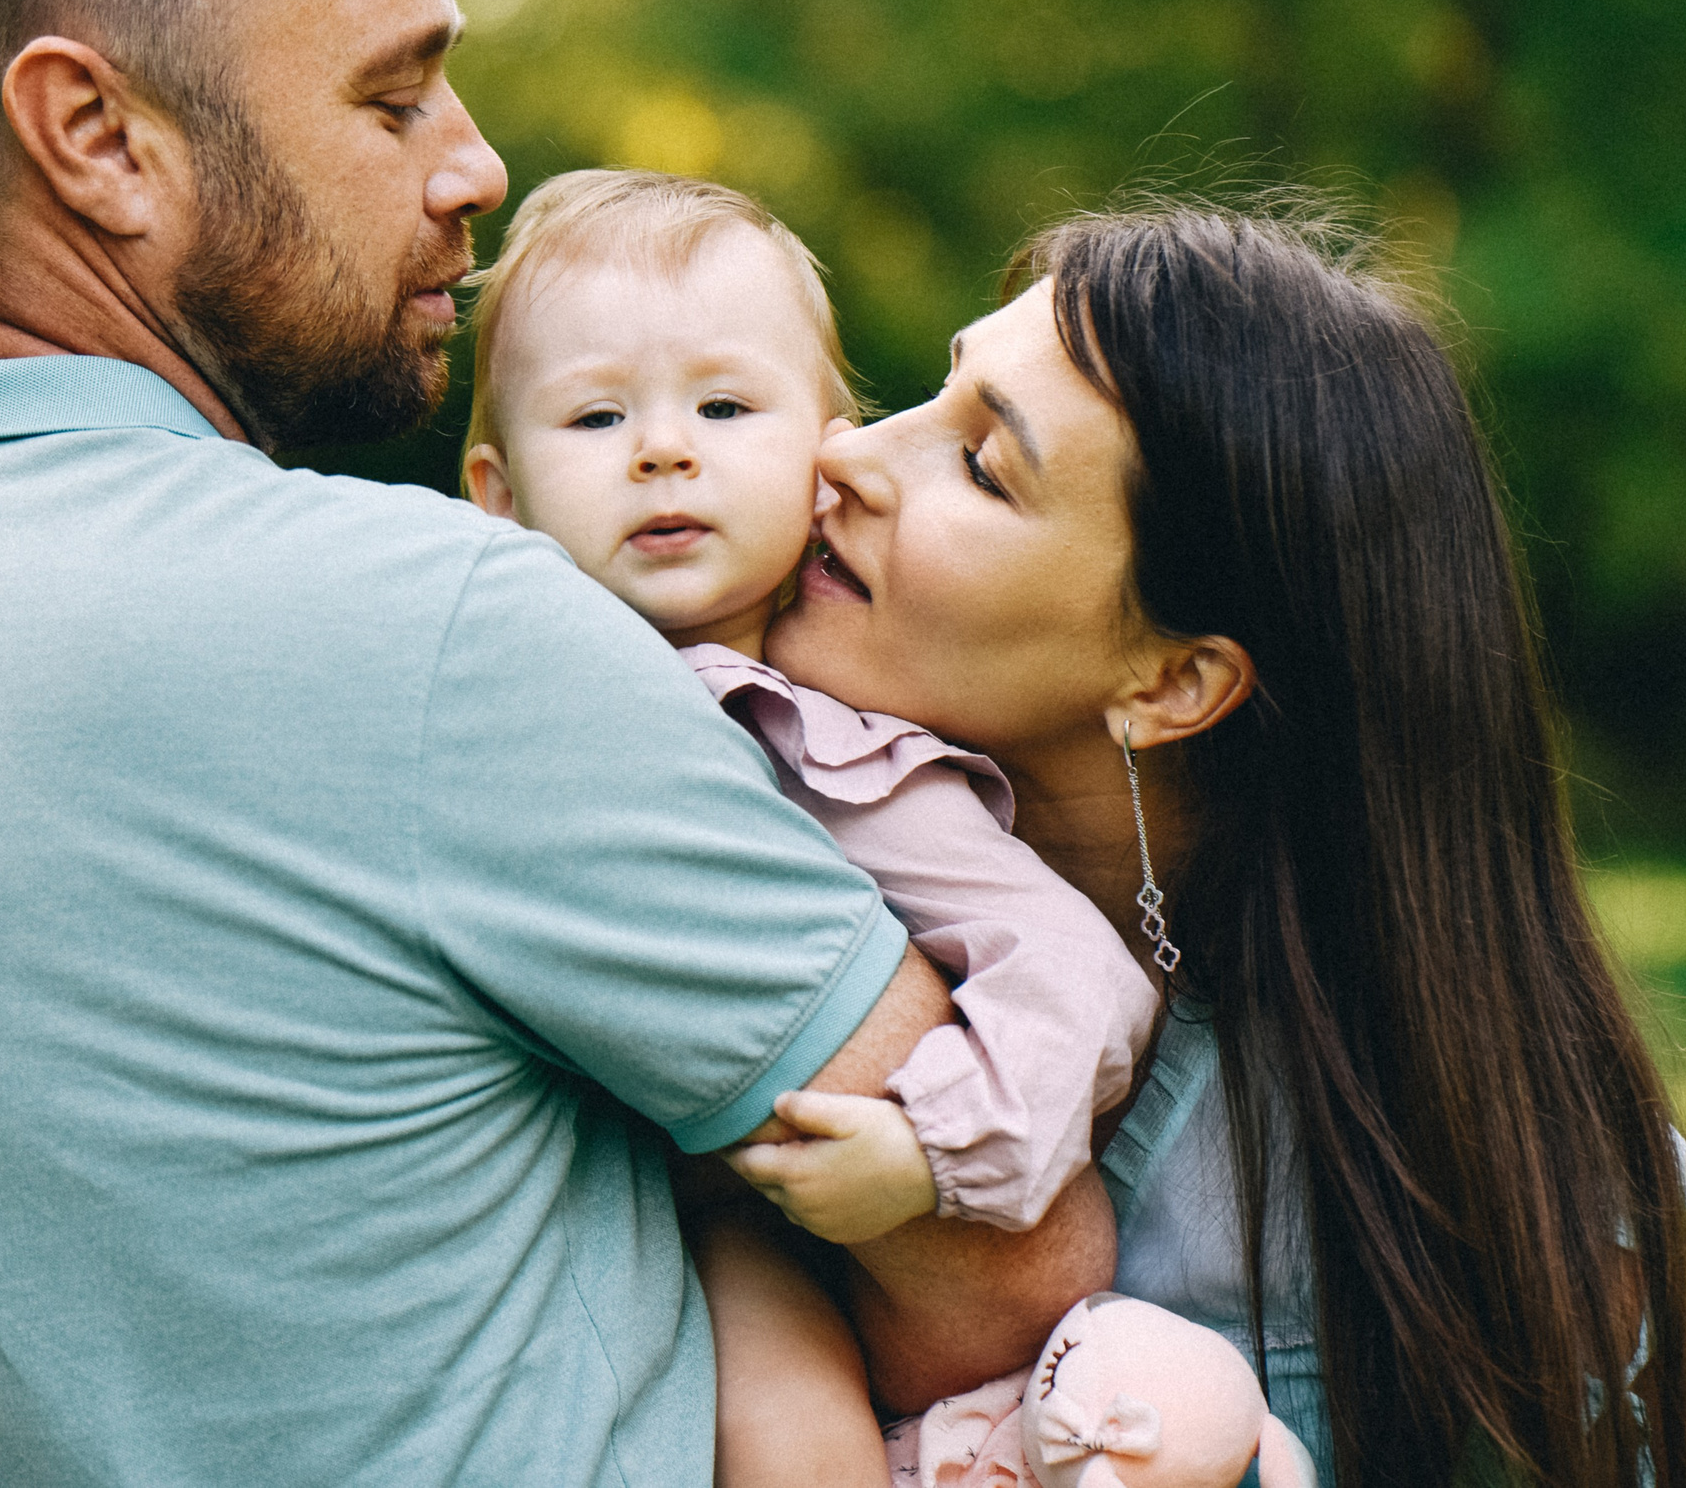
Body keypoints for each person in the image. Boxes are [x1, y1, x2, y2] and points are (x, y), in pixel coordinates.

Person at [0, 0, 1107, 1483]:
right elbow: (1011, 1278)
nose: (476, 164)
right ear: (98, 137)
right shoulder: (443, 631)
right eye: (394, 94)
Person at [762, 203, 1686, 1488]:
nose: (846, 451)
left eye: (982, 465)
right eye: (929, 396)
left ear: (1174, 680)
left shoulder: (1398, 1103)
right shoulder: (748, 853)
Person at [457, 168, 1160, 1483]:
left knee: (788, 1431)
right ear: (496, 492)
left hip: (762, 1228)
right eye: (599, 414)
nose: (664, 448)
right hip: (525, 1187)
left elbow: (1077, 975)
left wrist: (934, 1147)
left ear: (820, 449)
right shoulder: (489, 689)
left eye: (725, 407)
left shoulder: (842, 757)